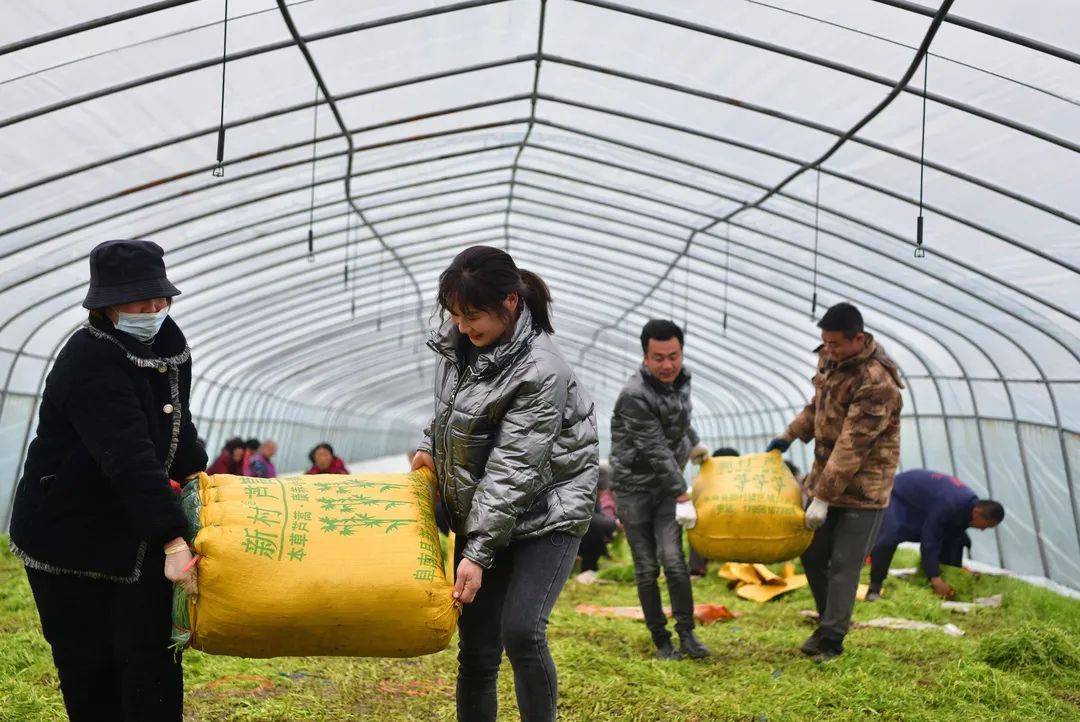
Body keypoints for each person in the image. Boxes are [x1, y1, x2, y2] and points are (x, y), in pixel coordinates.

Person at [9, 240, 205, 721]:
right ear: (108, 304)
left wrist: (203, 481)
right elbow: (128, 456)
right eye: (142, 300)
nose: (155, 308)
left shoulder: (166, 345)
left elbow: (177, 428)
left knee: (151, 663)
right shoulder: (89, 358)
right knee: (90, 666)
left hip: (134, 529)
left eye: (161, 298)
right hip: (71, 538)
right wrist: (173, 538)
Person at [410, 245, 598, 722]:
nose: (462, 325)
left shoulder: (541, 369)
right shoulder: (459, 348)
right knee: (476, 649)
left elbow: (514, 467)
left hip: (547, 509)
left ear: (511, 303)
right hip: (485, 510)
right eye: (454, 313)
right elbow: (451, 414)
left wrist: (475, 554)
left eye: (472, 315)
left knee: (521, 631)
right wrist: (430, 445)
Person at [766, 302, 902, 662]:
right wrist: (789, 435)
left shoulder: (877, 383)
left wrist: (822, 498)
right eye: (824, 343)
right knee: (812, 554)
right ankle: (829, 623)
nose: (829, 350)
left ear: (859, 338)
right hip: (826, 477)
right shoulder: (831, 360)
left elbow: (852, 446)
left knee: (844, 565)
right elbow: (818, 406)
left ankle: (832, 639)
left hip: (863, 489)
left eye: (836, 344)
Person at [610, 319, 712, 661]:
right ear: (645, 357)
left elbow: (677, 420)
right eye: (659, 358)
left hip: (667, 486)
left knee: (675, 561)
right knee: (646, 567)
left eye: (674, 355)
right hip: (633, 489)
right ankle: (661, 640)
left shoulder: (681, 381)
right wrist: (682, 492)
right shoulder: (633, 396)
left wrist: (694, 443)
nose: (667, 365)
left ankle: (688, 634)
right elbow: (653, 446)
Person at [867, 470, 1004, 601]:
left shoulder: (966, 509)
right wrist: (935, 579)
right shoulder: (950, 504)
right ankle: (874, 588)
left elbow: (954, 540)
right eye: (985, 525)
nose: (983, 530)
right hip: (899, 494)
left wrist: (956, 573)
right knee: (889, 537)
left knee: (953, 538)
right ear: (977, 512)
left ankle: (933, 582)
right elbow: (930, 540)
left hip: (922, 502)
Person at [687, 447, 742, 578]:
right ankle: (697, 569)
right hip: (714, 526)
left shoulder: (743, 482)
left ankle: (742, 565)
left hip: (737, 527)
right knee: (696, 525)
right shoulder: (706, 482)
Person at [576, 461, 619, 582]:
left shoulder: (595, 498)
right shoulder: (583, 494)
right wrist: (614, 525)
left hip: (588, 544)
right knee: (594, 531)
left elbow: (600, 517)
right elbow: (590, 518)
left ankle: (590, 569)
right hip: (577, 540)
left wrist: (610, 533)